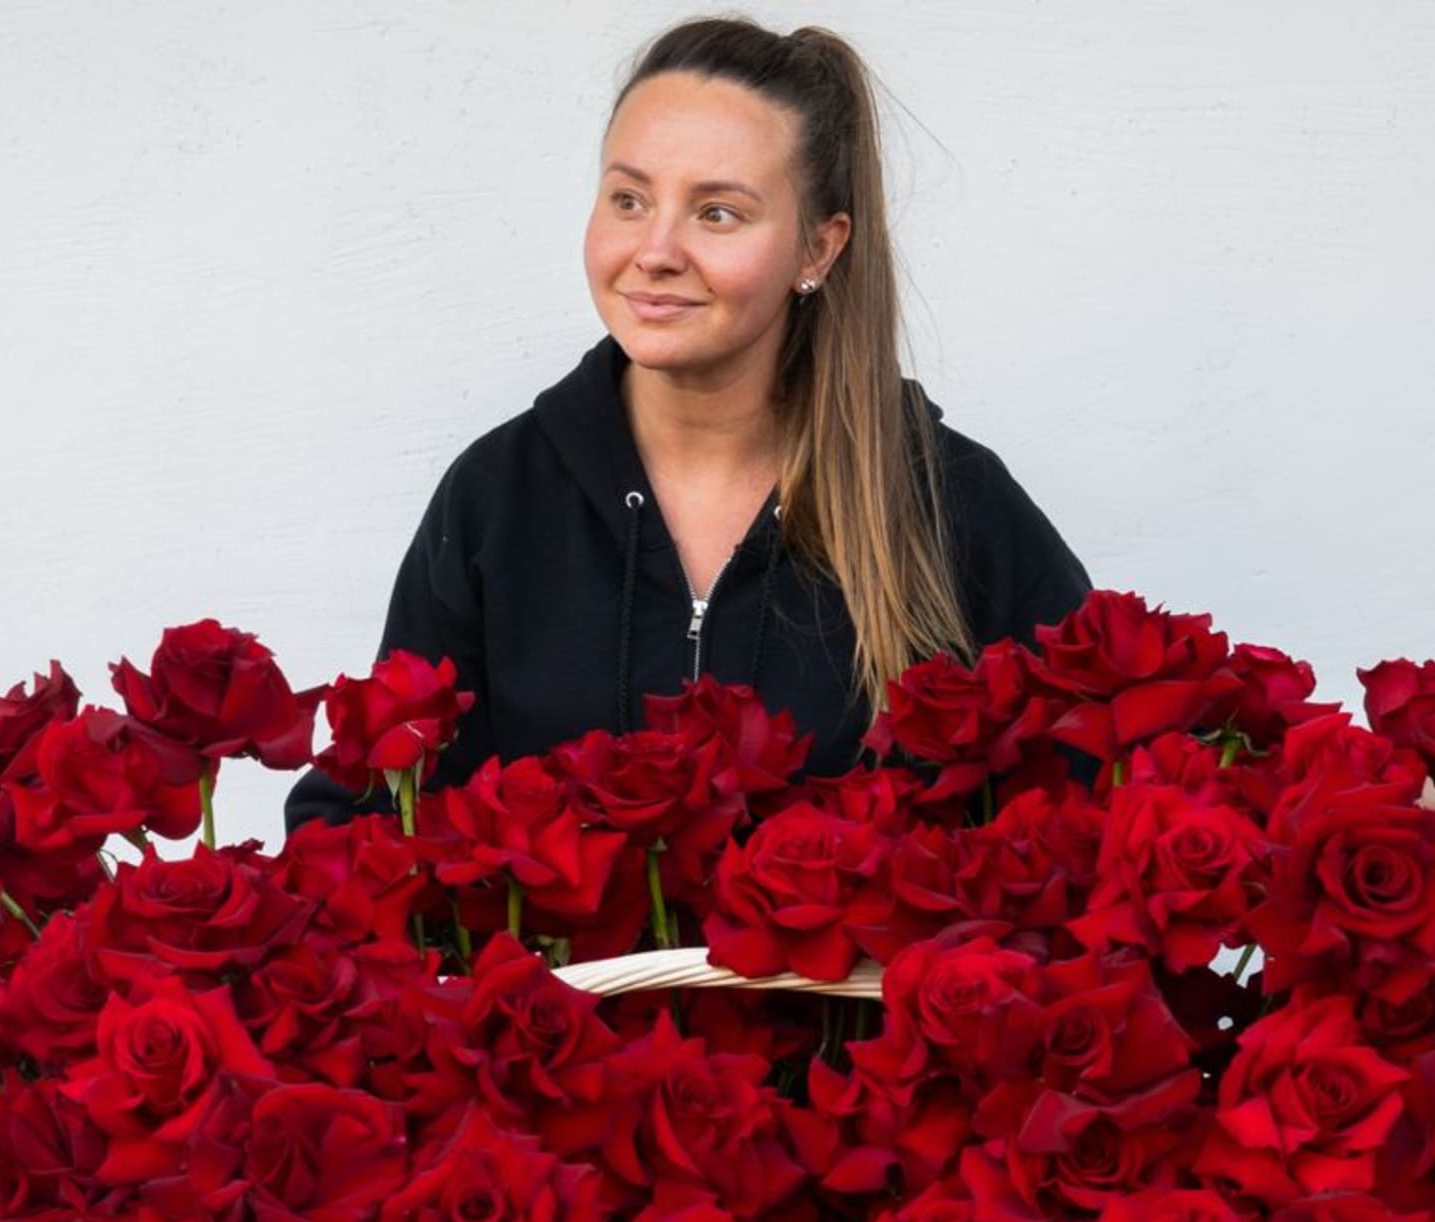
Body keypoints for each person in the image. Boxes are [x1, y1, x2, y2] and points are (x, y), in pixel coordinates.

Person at [284, 16, 1096, 837]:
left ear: (818, 249)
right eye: (629, 199)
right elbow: (364, 818)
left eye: (718, 213)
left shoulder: (945, 499)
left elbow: (1100, 799)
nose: (656, 250)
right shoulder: (500, 496)